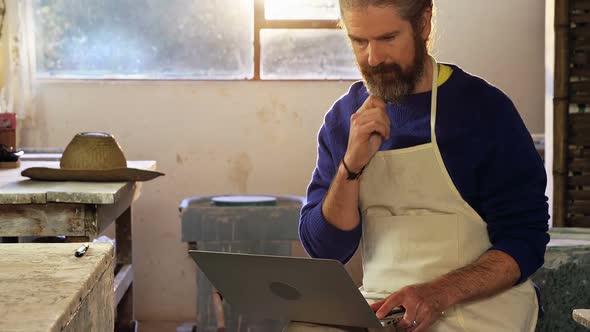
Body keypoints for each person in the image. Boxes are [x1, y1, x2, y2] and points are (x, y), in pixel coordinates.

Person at [289, 1, 550, 331]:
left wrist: (438, 294)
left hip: (478, 308)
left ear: (423, 23)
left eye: (388, 38)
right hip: (382, 309)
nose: (373, 58)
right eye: (359, 41)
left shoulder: (484, 111)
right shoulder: (344, 120)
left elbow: (525, 239)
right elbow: (326, 250)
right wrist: (350, 166)